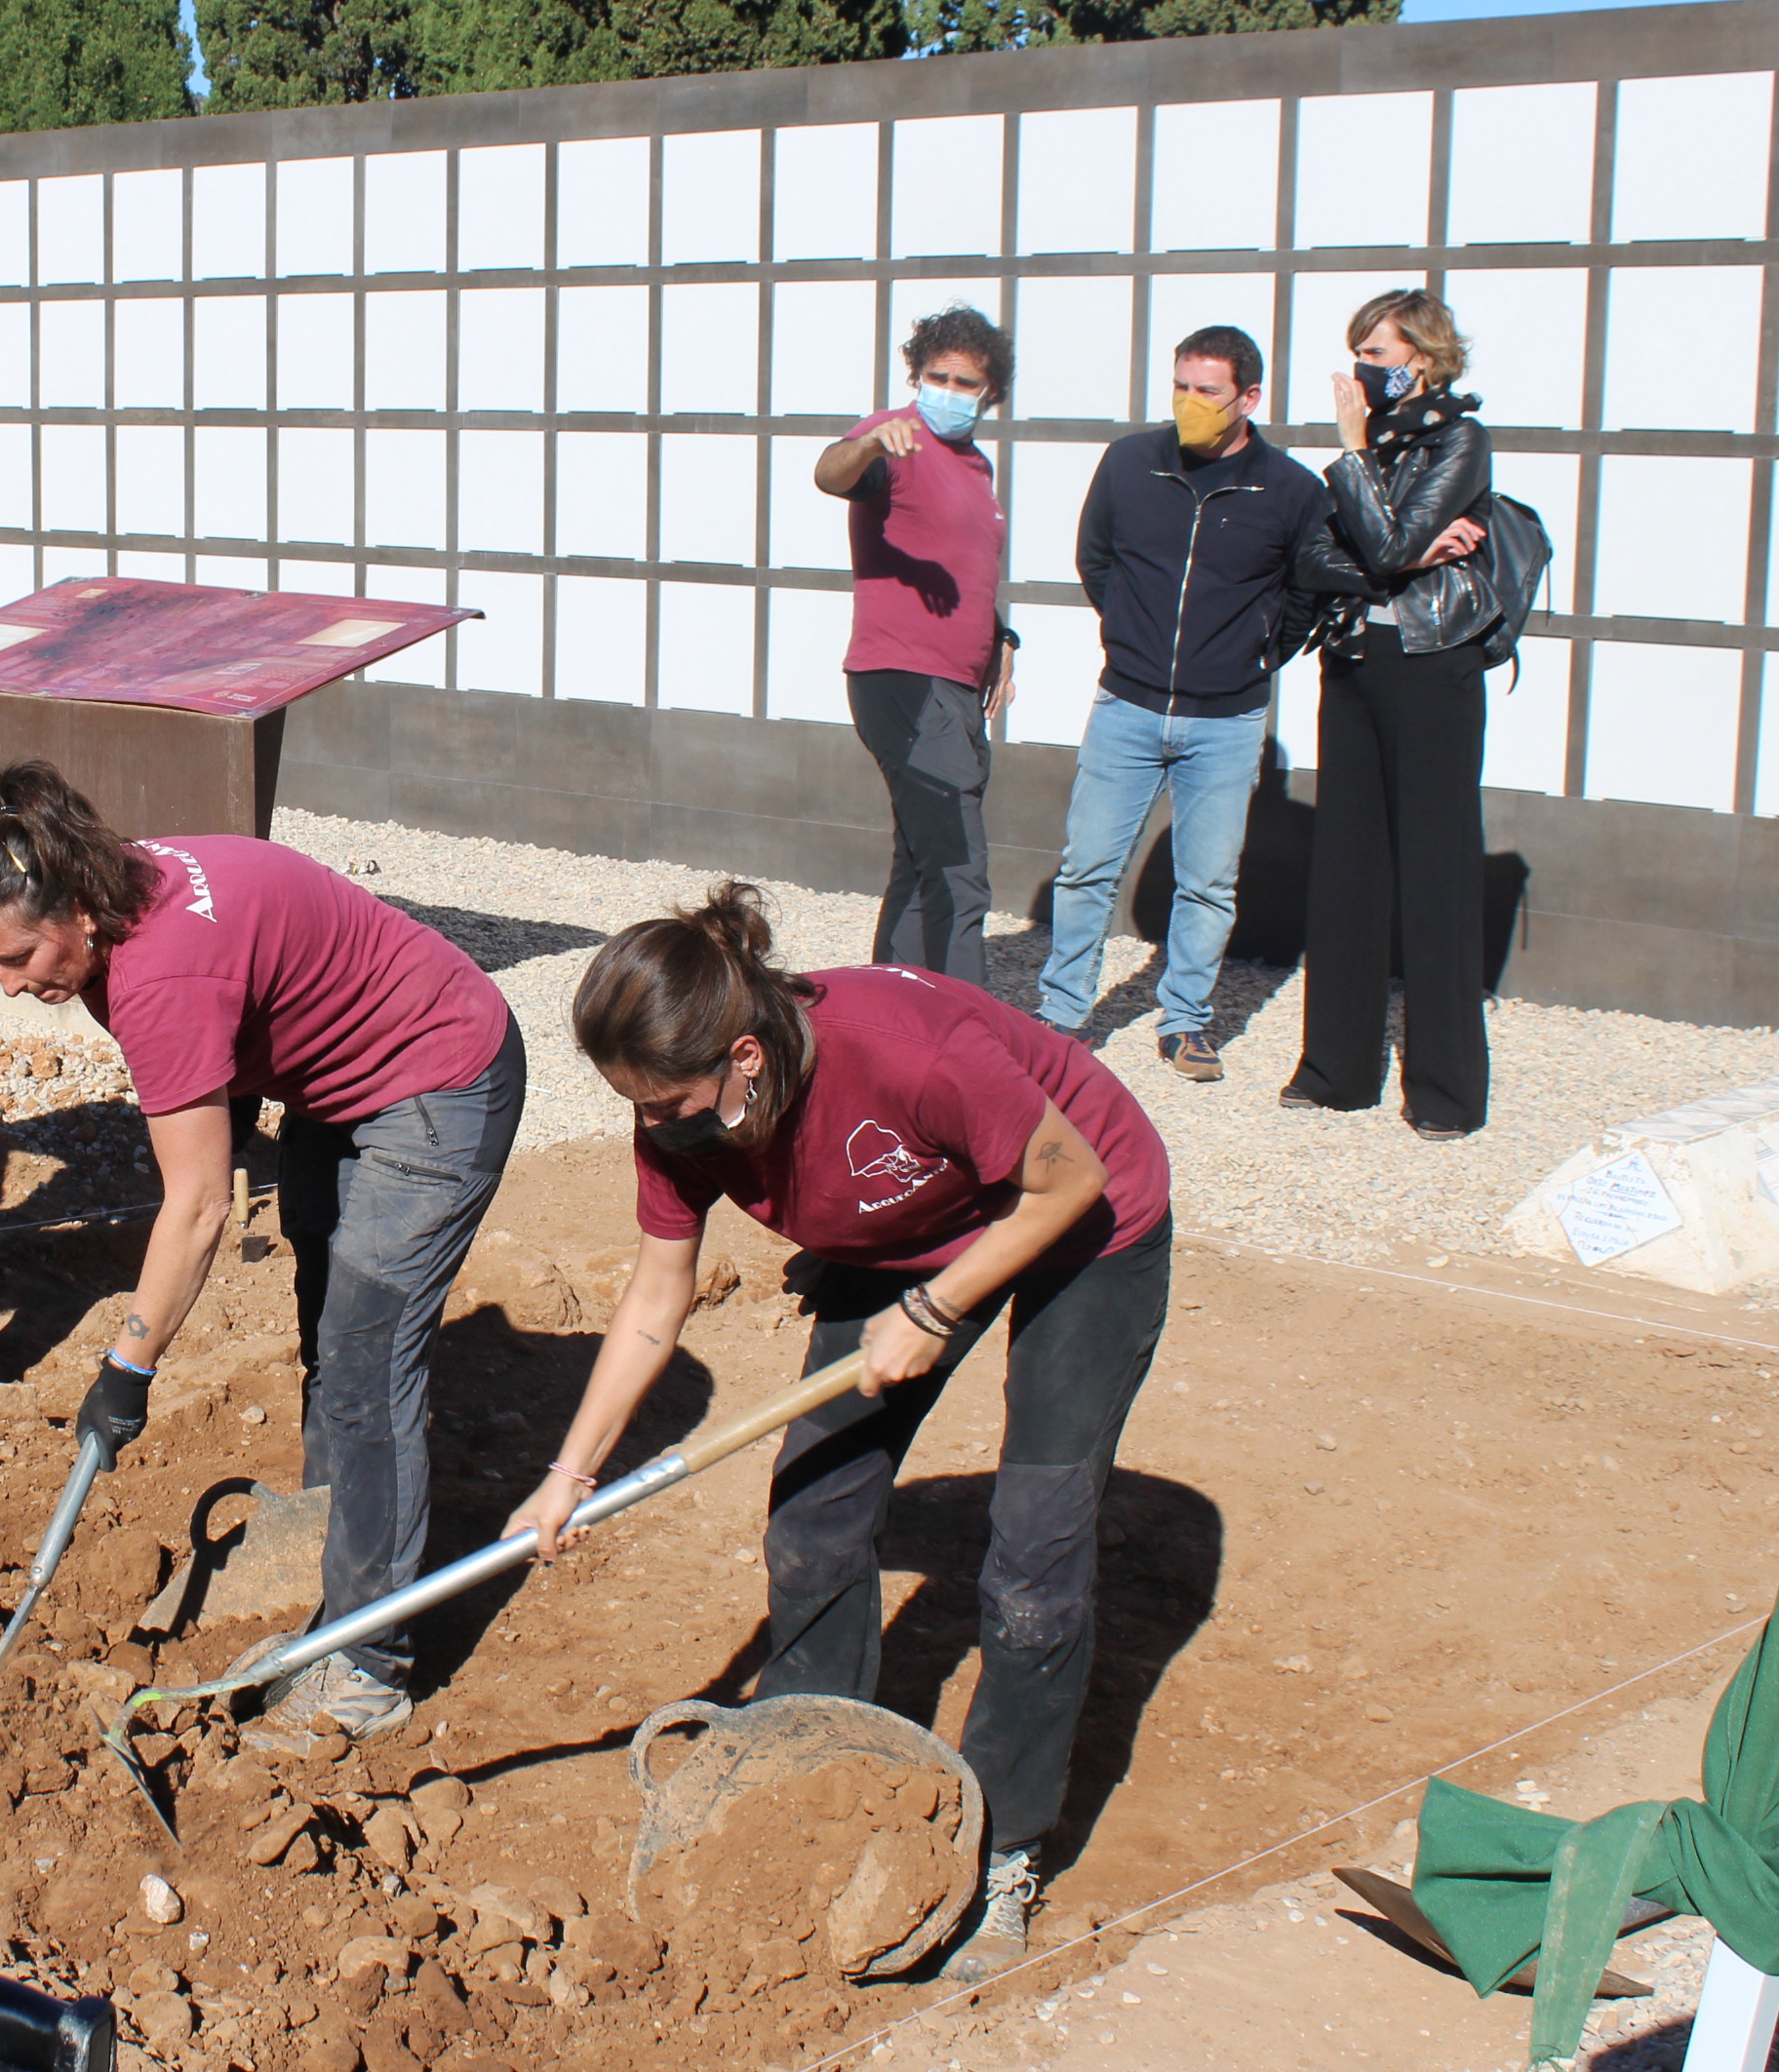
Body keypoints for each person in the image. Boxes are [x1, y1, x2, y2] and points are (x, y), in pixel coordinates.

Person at [509, 885, 1173, 1983]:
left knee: (1033, 1561)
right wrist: (566, 1474)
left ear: (748, 1057)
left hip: (1079, 1225)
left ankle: (1003, 1847)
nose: (656, 1126)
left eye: (672, 1100)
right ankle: (813, 1759)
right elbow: (652, 1299)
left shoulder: (909, 1053)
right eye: (637, 1103)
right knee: (813, 1516)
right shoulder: (676, 1117)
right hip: (899, 1233)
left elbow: (1071, 1181)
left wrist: (938, 1307)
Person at [0, 763, 522, 1749]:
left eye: (23, 955)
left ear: (77, 907)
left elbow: (202, 1202)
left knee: (369, 1359)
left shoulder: (160, 974)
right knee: (331, 1333)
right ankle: (331, 1559)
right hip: (337, 1082)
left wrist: (128, 1366)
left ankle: (367, 1670)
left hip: (436, 1081)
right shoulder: (123, 894)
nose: (9, 985)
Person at [1038, 326, 1326, 1079]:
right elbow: (1095, 559)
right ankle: (1063, 1013)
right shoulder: (1132, 462)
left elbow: (1305, 595)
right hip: (1127, 705)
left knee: (1207, 882)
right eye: (1182, 387)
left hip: (1228, 722)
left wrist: (1257, 655)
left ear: (1249, 398)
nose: (1191, 403)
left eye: (1209, 391)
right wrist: (1130, 639)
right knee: (1088, 868)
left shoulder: (1292, 490)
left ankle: (1187, 1022)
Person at [1280, 290, 1496, 1139]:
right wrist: (1393, 551)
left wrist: (1356, 459)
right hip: (1355, 659)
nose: (1363, 369)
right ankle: (1336, 1071)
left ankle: (1446, 1093)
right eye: (1359, 352)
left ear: (1426, 356)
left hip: (1432, 665)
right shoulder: (1373, 453)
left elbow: (1393, 544)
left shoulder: (1459, 440)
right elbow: (1324, 554)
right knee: (1347, 869)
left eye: (1378, 352)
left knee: (1436, 875)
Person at [815, 304, 1019, 987]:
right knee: (959, 865)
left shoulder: (975, 468)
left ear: (989, 392)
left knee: (922, 854)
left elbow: (968, 565)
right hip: (902, 676)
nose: (951, 393)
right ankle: (968, 1032)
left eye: (967, 383)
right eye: (939, 377)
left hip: (957, 685)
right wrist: (871, 444)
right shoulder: (892, 439)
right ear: (917, 373)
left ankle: (891, 1008)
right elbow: (831, 473)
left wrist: (1001, 638)